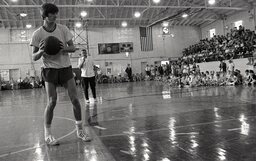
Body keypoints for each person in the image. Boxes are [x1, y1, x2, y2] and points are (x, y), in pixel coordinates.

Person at [30, 3, 91, 145]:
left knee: (75, 99)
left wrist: (65, 49)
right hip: (49, 69)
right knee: (52, 102)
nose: (55, 16)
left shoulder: (63, 29)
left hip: (65, 67)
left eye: (56, 14)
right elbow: (34, 57)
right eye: (52, 14)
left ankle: (80, 130)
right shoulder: (38, 34)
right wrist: (41, 51)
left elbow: (73, 47)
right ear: (45, 16)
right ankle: (48, 134)